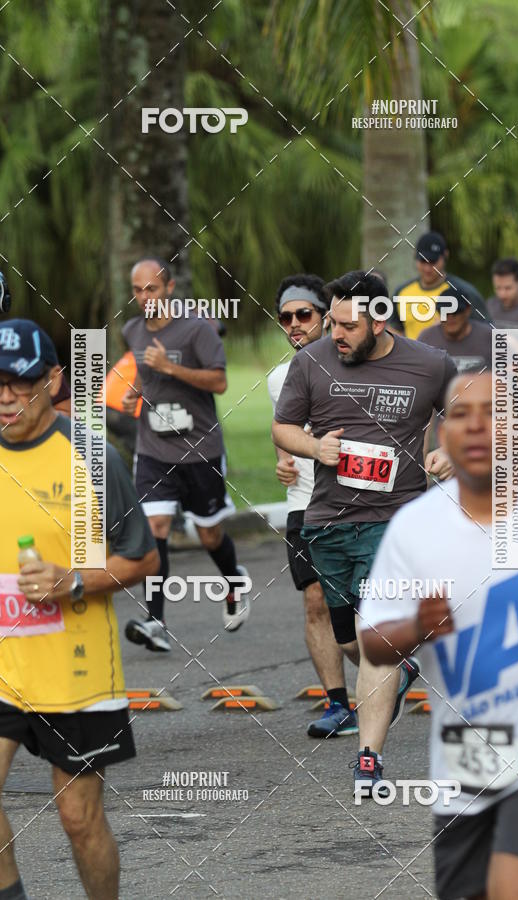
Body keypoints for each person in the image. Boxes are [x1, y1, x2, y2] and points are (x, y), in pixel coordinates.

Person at [360, 370, 518, 900]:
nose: (476, 427)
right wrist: (416, 627)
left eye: (494, 412)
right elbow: (374, 643)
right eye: (461, 414)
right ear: (440, 434)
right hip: (464, 758)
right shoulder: (414, 528)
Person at [272, 270, 456, 793]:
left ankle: (368, 757)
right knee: (350, 641)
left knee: (375, 637)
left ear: (379, 319)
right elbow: (283, 426)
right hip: (327, 521)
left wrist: (448, 448)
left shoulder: (428, 364)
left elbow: (471, 413)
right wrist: (314, 449)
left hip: (396, 522)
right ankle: (399, 671)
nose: (337, 334)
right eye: (333, 322)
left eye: (348, 325)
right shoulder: (310, 363)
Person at [0, 319, 158, 900]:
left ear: (54, 379)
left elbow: (139, 560)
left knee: (78, 817)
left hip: (76, 666)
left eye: (20, 382)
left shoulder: (89, 457)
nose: (5, 396)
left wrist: (71, 582)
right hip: (3, 663)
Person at [121, 256, 249, 652]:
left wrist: (173, 369)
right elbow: (146, 372)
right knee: (155, 528)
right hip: (154, 449)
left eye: (152, 289)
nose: (145, 298)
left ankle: (233, 580)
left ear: (170, 288)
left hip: (200, 450)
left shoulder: (197, 329)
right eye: (138, 291)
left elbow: (220, 381)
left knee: (208, 533)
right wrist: (136, 393)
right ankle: (155, 619)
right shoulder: (132, 330)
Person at [267, 274, 352, 737]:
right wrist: (283, 461)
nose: (295, 324)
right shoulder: (279, 377)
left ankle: (391, 670)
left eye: (304, 314)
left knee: (358, 610)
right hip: (305, 502)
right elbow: (284, 430)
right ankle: (339, 704)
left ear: (325, 315)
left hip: (360, 504)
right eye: (286, 317)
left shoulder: (356, 369)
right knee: (315, 601)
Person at [389, 231, 491, 340]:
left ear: (445, 256)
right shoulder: (402, 292)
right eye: (423, 261)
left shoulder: (463, 292)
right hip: (413, 356)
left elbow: (489, 332)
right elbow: (393, 329)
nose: (428, 268)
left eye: (433, 262)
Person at [418, 287, 492, 373]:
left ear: (467, 310)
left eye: (456, 311)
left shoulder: (489, 337)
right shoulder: (426, 339)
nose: (450, 317)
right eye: (445, 312)